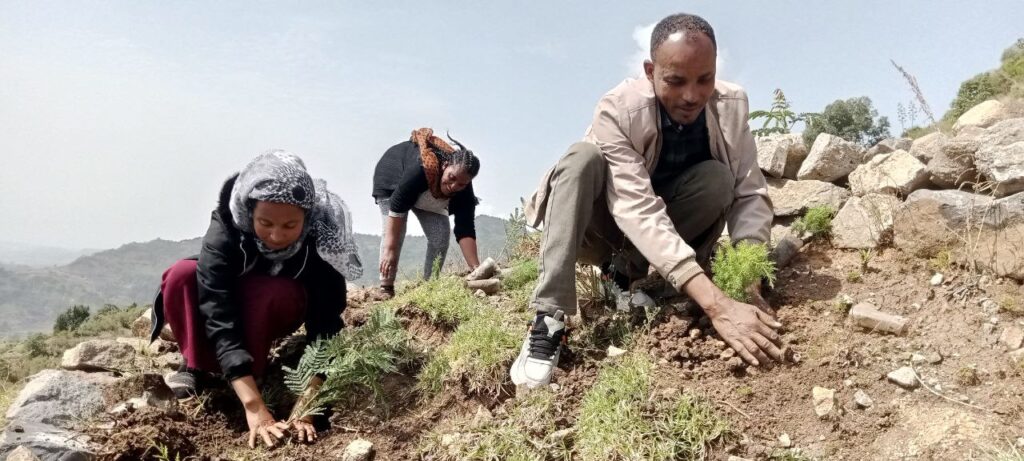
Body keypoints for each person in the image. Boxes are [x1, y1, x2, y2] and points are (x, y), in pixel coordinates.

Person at [510, 13, 783, 389]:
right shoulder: (617, 109)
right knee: (580, 158)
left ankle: (644, 281)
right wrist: (717, 305)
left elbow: (749, 191)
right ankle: (549, 319)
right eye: (675, 81)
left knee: (720, 180)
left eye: (704, 79)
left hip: (665, 224)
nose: (691, 95)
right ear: (650, 70)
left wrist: (749, 274)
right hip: (602, 228)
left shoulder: (731, 105)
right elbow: (637, 208)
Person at [150, 150, 362, 448]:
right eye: (265, 222)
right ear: (250, 212)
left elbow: (326, 327)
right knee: (183, 274)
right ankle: (196, 365)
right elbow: (216, 308)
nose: (276, 236)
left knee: (271, 290)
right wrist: (253, 407)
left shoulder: (320, 237)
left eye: (290, 226)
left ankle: (256, 369)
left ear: (307, 217)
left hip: (273, 305)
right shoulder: (227, 222)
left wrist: (308, 406)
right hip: (231, 302)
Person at [372, 128, 482, 298]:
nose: (454, 186)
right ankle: (386, 287)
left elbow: (465, 229)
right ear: (445, 166)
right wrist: (389, 250)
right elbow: (397, 205)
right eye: (451, 178)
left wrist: (477, 270)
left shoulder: (464, 190)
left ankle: (429, 286)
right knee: (395, 233)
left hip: (427, 193)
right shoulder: (421, 169)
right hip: (392, 178)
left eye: (461, 184)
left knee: (440, 236)